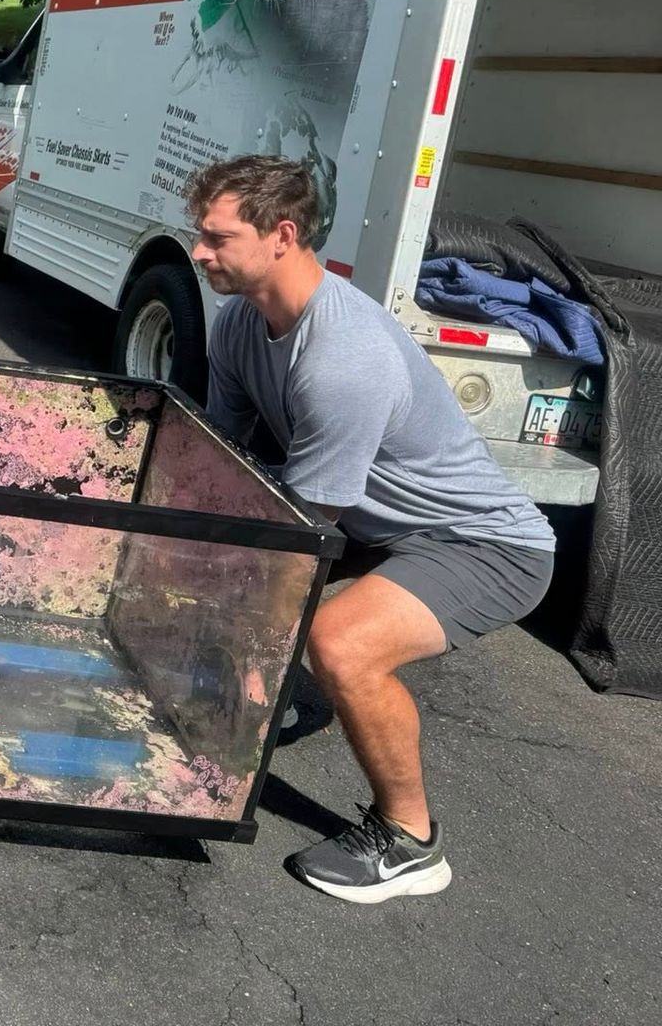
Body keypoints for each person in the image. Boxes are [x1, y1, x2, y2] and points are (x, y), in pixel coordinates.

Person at [187, 155, 554, 903]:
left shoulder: (342, 359)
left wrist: (259, 642)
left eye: (218, 238)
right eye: (201, 234)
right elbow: (228, 465)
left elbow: (302, 543)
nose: (199, 251)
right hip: (375, 520)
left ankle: (410, 841)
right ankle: (263, 692)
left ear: (281, 235)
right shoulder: (239, 325)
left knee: (338, 643)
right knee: (221, 555)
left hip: (485, 545)